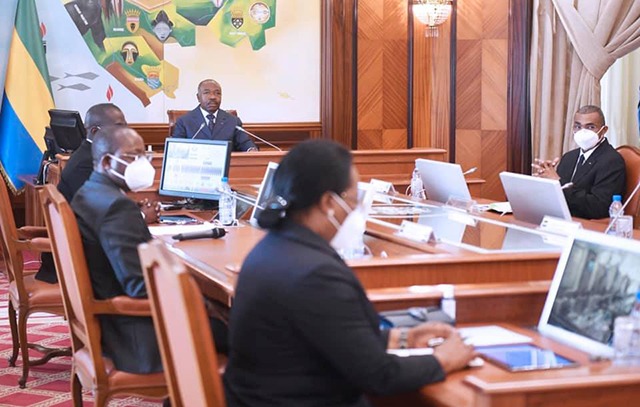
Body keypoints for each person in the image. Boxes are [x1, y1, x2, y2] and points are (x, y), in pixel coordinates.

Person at [224, 140, 475, 407]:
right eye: (354, 200)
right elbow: (379, 376)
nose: (356, 211)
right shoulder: (316, 275)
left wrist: (402, 337)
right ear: (328, 203)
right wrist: (443, 359)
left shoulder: (271, 249)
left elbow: (330, 335)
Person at [71, 126, 227, 374]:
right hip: (140, 336)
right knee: (251, 330)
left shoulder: (89, 192)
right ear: (107, 162)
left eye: (145, 155)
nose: (143, 163)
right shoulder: (116, 207)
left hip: (113, 327)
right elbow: (138, 286)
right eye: (134, 156)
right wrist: (196, 295)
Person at [36, 103, 158, 284]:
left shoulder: (89, 166)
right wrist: (140, 216)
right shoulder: (85, 164)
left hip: (90, 268)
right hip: (88, 274)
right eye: (119, 127)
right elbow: (103, 215)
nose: (125, 131)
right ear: (94, 132)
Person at [532, 105, 626, 219]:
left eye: (590, 127)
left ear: (604, 130)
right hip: (559, 218)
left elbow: (599, 208)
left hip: (586, 223)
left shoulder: (612, 161)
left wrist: (558, 182)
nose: (583, 132)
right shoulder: (569, 157)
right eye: (578, 126)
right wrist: (546, 181)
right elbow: (558, 198)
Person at [171, 79, 257, 151]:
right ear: (198, 97)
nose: (213, 97)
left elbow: (245, 143)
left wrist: (251, 150)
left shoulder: (233, 121)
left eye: (217, 93)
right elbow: (176, 149)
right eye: (207, 93)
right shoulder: (184, 121)